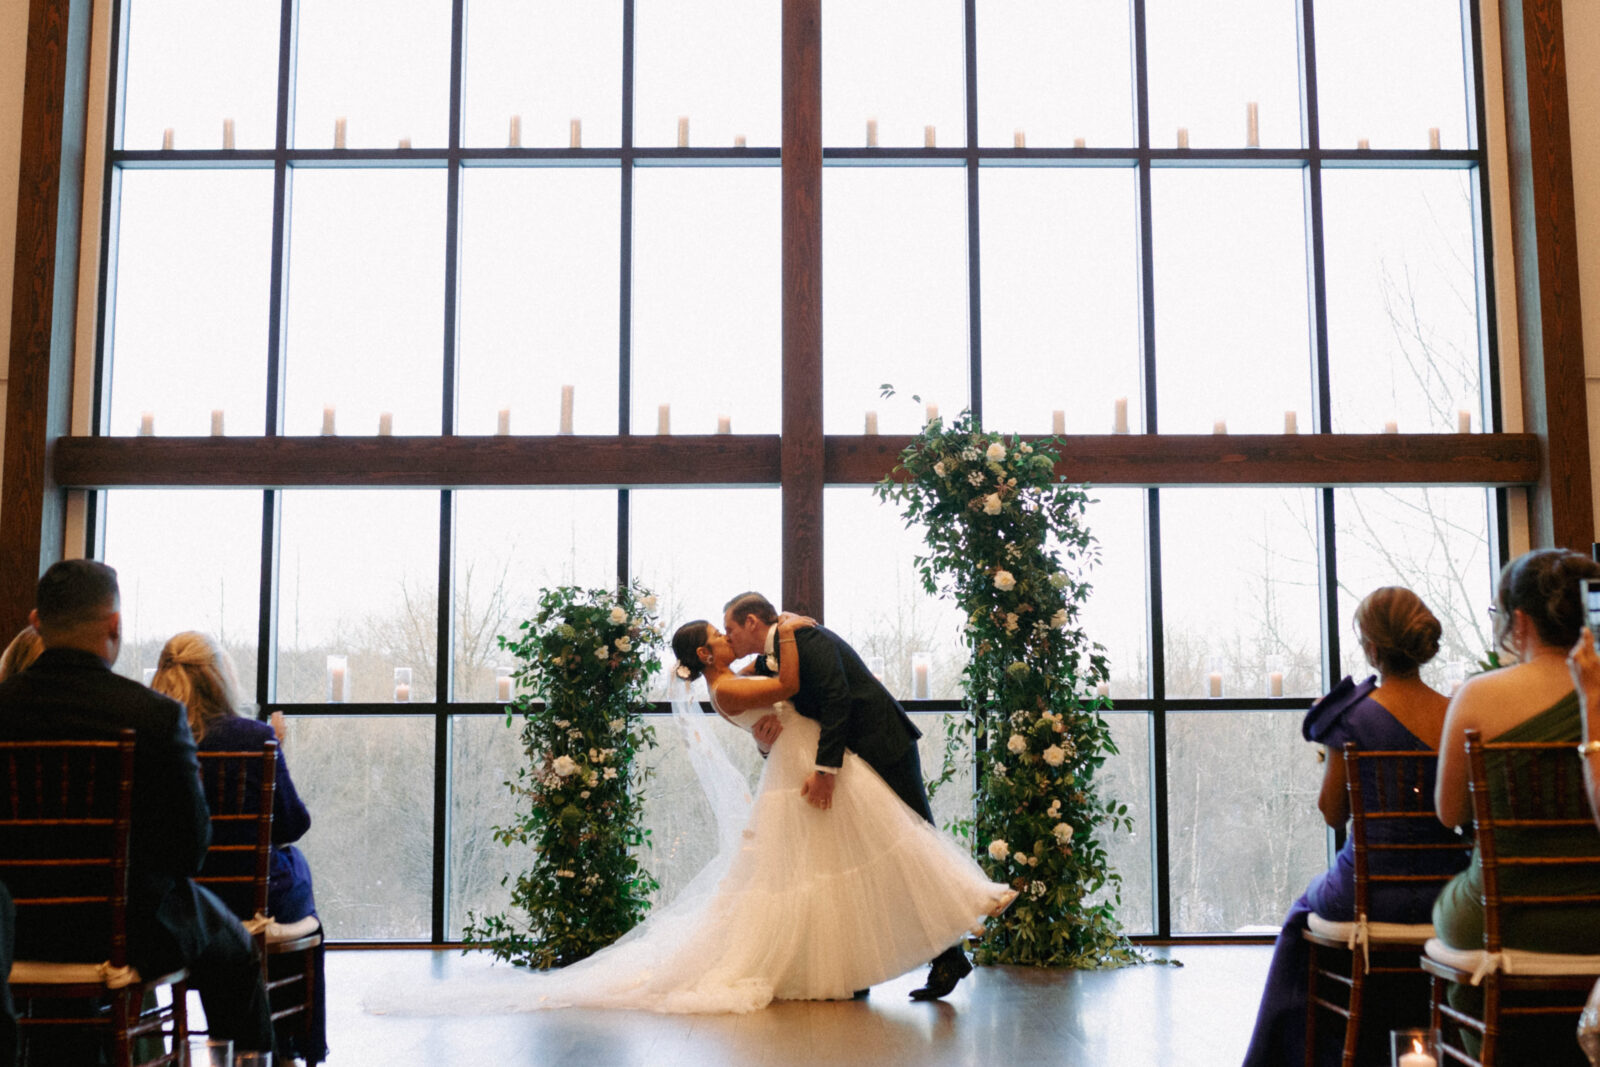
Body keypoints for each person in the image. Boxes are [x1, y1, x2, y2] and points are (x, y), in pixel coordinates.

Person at [0, 560, 274, 1059]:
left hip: (12, 931)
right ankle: (252, 1055)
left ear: (37, 622)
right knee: (232, 942)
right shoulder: (152, 715)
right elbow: (190, 849)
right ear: (115, 626)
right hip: (125, 932)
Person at [1243, 586, 1468, 1066]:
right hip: (1445, 895)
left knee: (1301, 915)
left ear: (1370, 646)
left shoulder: (1352, 717)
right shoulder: (1456, 713)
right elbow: (1463, 815)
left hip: (1367, 896)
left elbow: (1332, 813)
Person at [723, 591, 981, 1000]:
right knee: (856, 856)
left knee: (913, 846)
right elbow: (779, 715)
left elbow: (837, 700)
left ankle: (951, 951)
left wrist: (825, 772)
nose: (729, 639)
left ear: (753, 622)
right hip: (850, 757)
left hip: (883, 746)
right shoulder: (768, 660)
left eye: (731, 629)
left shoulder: (806, 640)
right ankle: (856, 966)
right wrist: (763, 737)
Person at [1433, 548, 1600, 1061]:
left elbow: (1449, 812)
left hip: (1503, 919)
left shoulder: (1479, 697)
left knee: (1451, 903)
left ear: (1520, 621)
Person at [152, 631, 326, 1064]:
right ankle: (292, 1045)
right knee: (295, 871)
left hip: (181, 900)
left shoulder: (155, 738)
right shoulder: (255, 737)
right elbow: (293, 823)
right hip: (248, 899)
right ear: (220, 679)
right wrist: (276, 748)